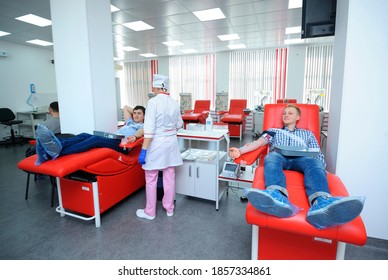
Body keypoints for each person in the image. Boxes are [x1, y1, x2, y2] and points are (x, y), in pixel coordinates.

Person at [228, 104, 365, 230]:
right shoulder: (273, 131)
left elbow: (316, 151)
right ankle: (277, 196)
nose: (286, 115)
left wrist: (321, 168)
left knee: (314, 162)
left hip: (302, 159)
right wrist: (240, 151)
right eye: (284, 113)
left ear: (298, 117)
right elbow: (257, 143)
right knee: (271, 157)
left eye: (290, 113)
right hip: (280, 157)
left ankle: (321, 203)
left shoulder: (307, 134)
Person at [136, 74, 183, 220]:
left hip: (156, 144)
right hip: (171, 144)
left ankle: (150, 212)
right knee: (169, 176)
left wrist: (143, 150)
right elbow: (179, 125)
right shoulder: (175, 103)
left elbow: (149, 130)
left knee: (151, 177)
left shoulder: (153, 102)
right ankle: (169, 208)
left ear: (156, 87)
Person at [34, 105, 145, 166]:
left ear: (145, 116)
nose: (135, 115)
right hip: (114, 138)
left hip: (123, 145)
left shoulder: (145, 125)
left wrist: (147, 115)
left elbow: (141, 133)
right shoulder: (130, 122)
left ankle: (55, 152)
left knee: (95, 139)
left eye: (139, 113)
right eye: (134, 113)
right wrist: (137, 110)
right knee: (84, 135)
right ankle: (57, 144)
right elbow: (126, 107)